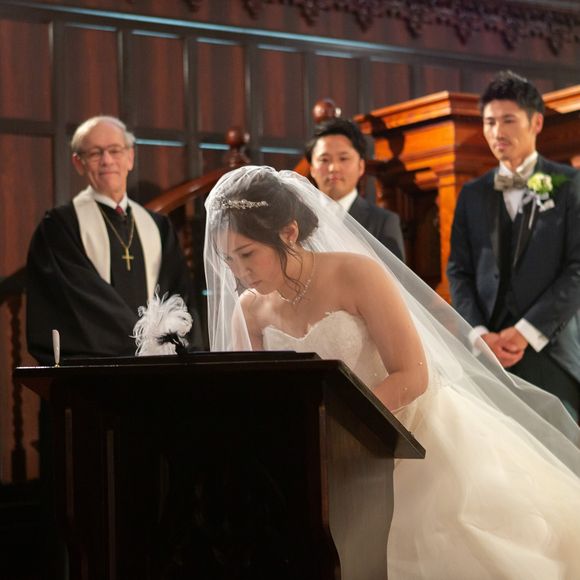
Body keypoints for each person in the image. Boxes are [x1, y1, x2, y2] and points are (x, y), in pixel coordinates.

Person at [203, 165, 580, 579]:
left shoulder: (356, 274)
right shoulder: (250, 310)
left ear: (289, 233)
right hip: (314, 458)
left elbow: (412, 375)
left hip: (407, 434)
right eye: (228, 259)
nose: (239, 272)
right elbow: (252, 398)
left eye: (247, 254)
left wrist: (339, 430)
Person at [447, 70, 580, 420]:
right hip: (486, 355)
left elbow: (577, 269)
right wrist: (478, 333)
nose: (497, 132)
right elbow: (458, 271)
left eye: (508, 120)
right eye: (489, 122)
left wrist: (524, 333)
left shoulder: (569, 184)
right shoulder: (472, 194)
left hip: (549, 352)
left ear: (536, 122)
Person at [27, 115, 201, 364]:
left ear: (130, 157)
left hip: (157, 367)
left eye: (115, 150)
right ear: (78, 163)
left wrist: (166, 347)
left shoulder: (158, 226)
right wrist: (139, 342)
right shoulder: (60, 227)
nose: (107, 160)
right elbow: (79, 302)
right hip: (98, 369)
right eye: (95, 153)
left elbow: (178, 295)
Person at [305, 117, 406, 261]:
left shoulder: (383, 222)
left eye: (343, 158)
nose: (333, 168)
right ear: (312, 169)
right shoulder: (298, 219)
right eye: (324, 160)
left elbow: (394, 274)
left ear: (361, 166)